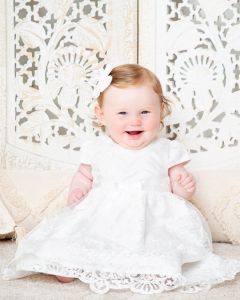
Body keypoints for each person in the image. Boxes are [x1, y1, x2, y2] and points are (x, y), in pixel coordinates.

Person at [2, 64, 240, 294]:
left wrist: (183, 189)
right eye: (122, 113)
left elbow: (178, 192)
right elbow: (85, 175)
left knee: (159, 251)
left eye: (145, 112)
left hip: (153, 221)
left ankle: (151, 269)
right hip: (103, 218)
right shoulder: (97, 149)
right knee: (81, 241)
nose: (134, 121)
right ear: (101, 115)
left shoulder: (166, 149)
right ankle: (73, 263)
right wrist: (78, 190)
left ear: (161, 111)